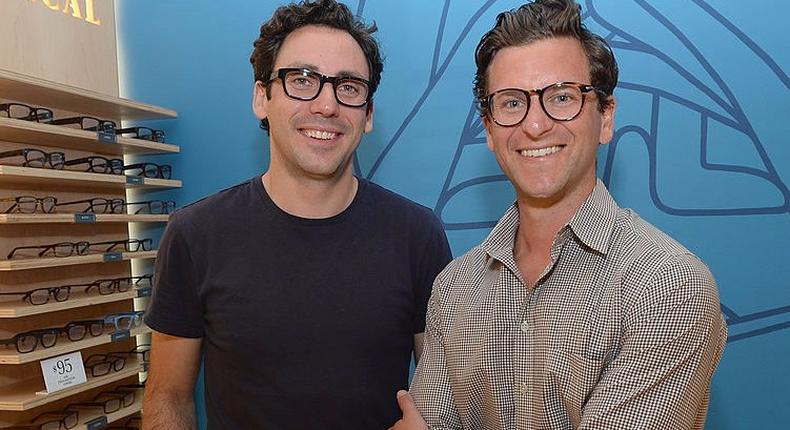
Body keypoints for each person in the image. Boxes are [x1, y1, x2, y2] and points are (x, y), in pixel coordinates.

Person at [390, 0, 727, 429]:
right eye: (512, 103)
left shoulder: (666, 285)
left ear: (605, 118)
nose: (535, 125)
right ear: (489, 129)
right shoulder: (455, 288)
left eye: (562, 97)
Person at [142, 1, 452, 428]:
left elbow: (445, 394)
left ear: (368, 115)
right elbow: (169, 398)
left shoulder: (418, 236)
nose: (327, 105)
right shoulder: (195, 235)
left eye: (348, 87)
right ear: (261, 97)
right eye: (302, 80)